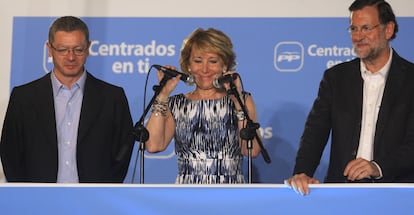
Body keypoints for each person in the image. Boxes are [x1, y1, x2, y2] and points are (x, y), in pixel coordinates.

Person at [284, 0, 414, 195]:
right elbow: (315, 132)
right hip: (342, 191)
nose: (358, 36)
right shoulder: (336, 78)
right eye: (353, 29)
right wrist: (302, 172)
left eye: (366, 28)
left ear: (388, 30)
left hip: (397, 192)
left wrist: (377, 167)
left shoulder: (410, 79)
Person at [0, 16, 135, 183]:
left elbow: (123, 151)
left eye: (78, 49)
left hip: (95, 202)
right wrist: (28, 196)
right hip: (37, 203)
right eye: (63, 49)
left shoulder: (113, 97)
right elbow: (10, 152)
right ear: (49, 49)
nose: (71, 57)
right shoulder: (23, 97)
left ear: (88, 48)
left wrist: (103, 192)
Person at [145, 28, 262, 184]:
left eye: (213, 61)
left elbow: (252, 150)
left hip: (230, 194)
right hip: (188, 194)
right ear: (188, 65)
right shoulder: (176, 104)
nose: (205, 69)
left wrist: (237, 103)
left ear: (225, 65)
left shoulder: (242, 100)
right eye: (198, 61)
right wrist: (163, 94)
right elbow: (153, 146)